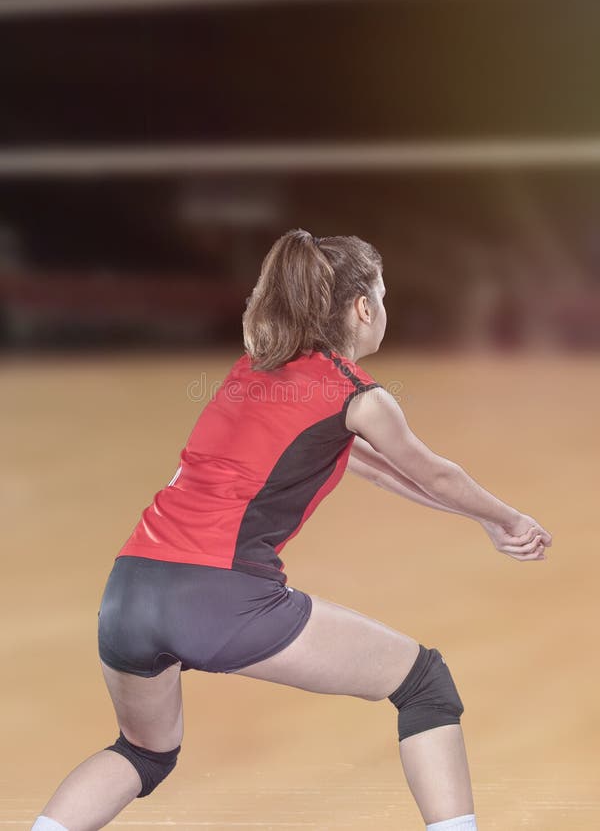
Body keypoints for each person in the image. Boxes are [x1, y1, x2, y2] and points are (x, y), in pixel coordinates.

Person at [32, 228, 552, 831]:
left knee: (144, 752)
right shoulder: (357, 395)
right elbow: (431, 473)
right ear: (364, 308)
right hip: (219, 596)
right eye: (384, 295)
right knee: (425, 683)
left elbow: (380, 470)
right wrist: (505, 518)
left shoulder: (252, 370)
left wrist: (479, 518)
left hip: (128, 593)